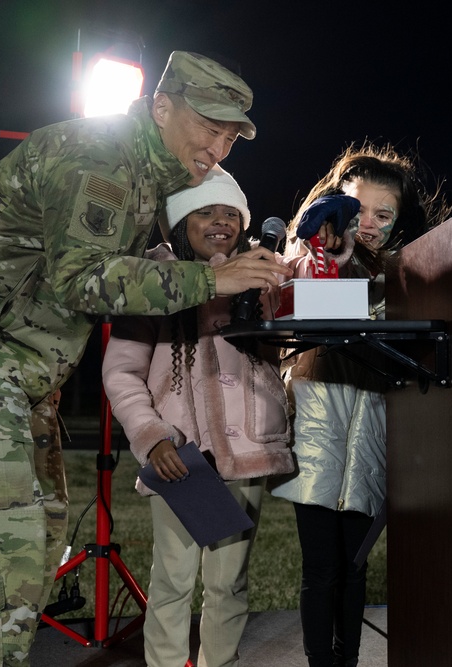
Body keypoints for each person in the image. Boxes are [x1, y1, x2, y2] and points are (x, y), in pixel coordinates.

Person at [0, 50, 291, 667]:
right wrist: (212, 280)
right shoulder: (99, 158)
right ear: (161, 108)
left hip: (16, 369)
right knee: (0, 547)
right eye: (209, 128)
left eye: (230, 138)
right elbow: (82, 281)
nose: (218, 149)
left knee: (42, 530)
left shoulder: (152, 177)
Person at [268, 142, 452, 667]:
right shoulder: (311, 257)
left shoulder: (407, 275)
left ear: (399, 222)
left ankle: (345, 660)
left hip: (374, 427)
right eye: (357, 209)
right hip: (318, 420)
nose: (367, 224)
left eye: (383, 215)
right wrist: (331, 252)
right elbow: (301, 291)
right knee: (320, 567)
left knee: (354, 567)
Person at [101, 165, 295, 667]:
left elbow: (296, 319)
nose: (220, 221)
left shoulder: (261, 276)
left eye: (231, 212)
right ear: (179, 223)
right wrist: (153, 437)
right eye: (205, 211)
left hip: (245, 450)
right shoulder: (149, 284)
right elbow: (122, 373)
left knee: (229, 584)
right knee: (172, 581)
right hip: (179, 457)